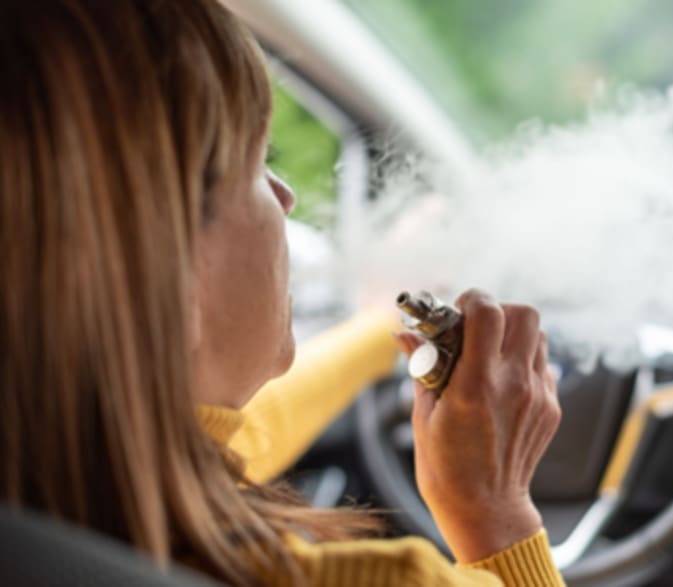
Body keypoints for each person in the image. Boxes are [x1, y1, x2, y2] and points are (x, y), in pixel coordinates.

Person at [0, 1, 564, 586]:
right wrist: (495, 510)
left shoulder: (59, 491)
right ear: (176, 275)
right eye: (257, 160)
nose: (286, 196)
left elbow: (226, 437)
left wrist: (378, 331)